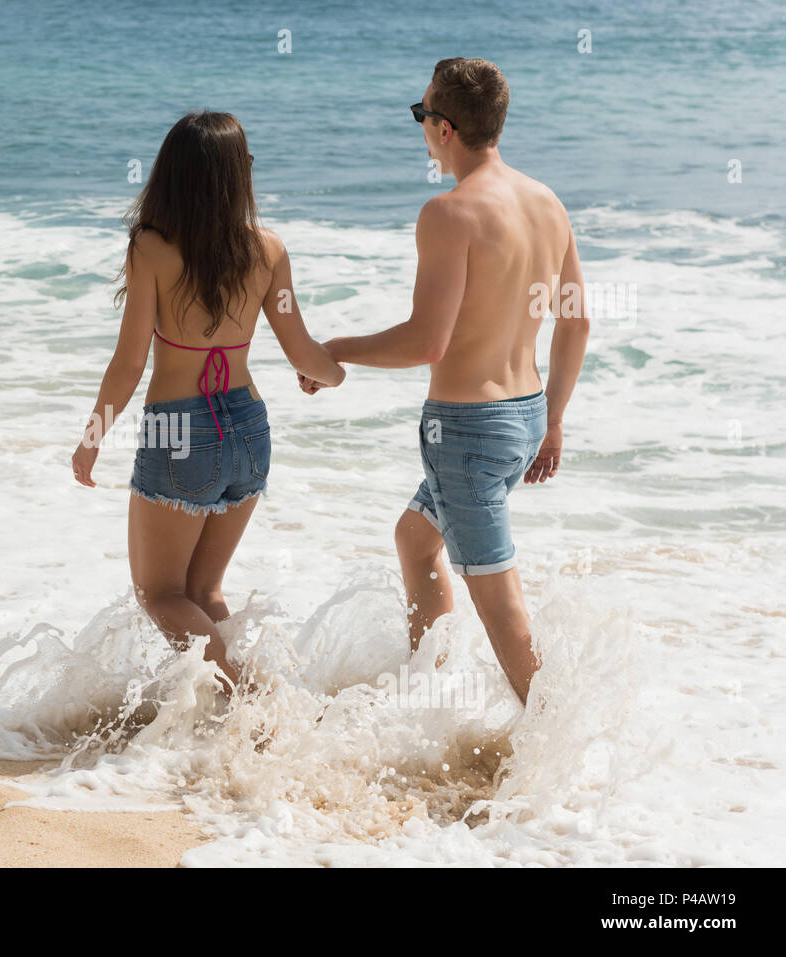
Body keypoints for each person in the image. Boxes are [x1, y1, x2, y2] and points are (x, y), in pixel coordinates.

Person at [301, 58, 591, 704]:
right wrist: (555, 418)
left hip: (467, 432)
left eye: (421, 115)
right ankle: (423, 696)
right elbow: (577, 323)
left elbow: (426, 341)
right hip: (524, 418)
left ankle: (563, 748)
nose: (421, 127)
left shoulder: (449, 214)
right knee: (415, 537)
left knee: (503, 611)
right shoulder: (548, 204)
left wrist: (337, 350)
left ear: (446, 129)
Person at [72, 110, 345, 692]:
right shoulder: (268, 250)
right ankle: (259, 703)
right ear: (236, 176)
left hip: (179, 432)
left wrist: (91, 440)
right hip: (249, 427)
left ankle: (256, 701)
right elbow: (302, 351)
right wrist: (334, 373)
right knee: (203, 593)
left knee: (161, 594)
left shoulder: (150, 249)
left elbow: (129, 363)